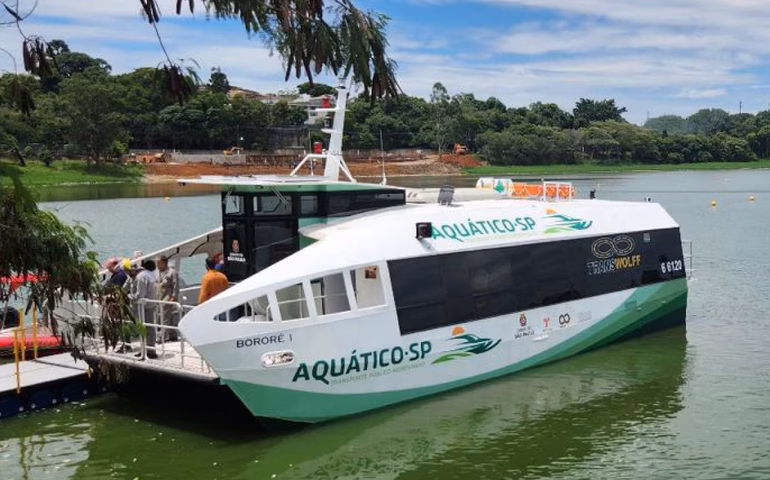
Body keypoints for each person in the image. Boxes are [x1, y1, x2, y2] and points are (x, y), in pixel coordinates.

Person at [127, 259, 159, 359]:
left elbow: (140, 294)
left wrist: (129, 296)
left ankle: (148, 351)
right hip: (150, 305)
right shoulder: (149, 274)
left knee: (146, 328)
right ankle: (147, 349)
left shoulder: (141, 277)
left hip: (144, 307)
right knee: (148, 328)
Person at [156, 255, 179, 341]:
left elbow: (176, 285)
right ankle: (173, 334)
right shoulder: (157, 272)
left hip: (168, 296)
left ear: (164, 263)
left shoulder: (172, 272)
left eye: (159, 263)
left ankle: (163, 336)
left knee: (164, 316)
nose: (157, 265)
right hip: (160, 296)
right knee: (170, 316)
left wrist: (173, 296)